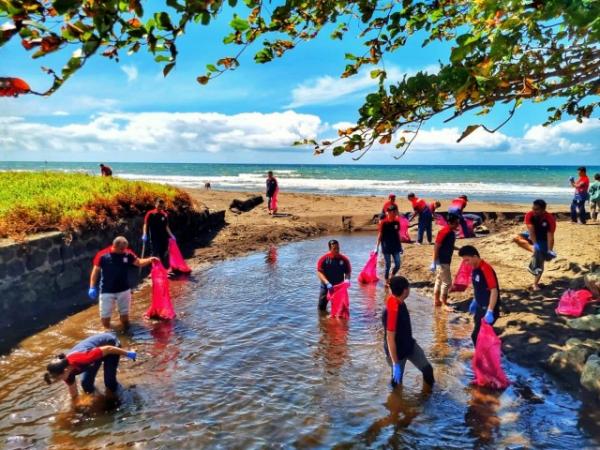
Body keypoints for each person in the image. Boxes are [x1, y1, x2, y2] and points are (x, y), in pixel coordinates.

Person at [88, 236, 158, 329]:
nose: (124, 251)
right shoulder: (102, 255)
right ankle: (114, 331)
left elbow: (139, 262)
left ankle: (125, 334)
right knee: (105, 321)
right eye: (121, 249)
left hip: (123, 290)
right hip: (106, 290)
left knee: (125, 319)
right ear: (114, 246)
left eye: (125, 248)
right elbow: (95, 271)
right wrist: (92, 287)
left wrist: (150, 260)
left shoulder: (127, 253)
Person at [43, 332, 137, 401]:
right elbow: (74, 394)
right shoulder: (66, 374)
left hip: (110, 344)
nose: (61, 380)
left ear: (65, 370)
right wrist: (76, 408)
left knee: (109, 383)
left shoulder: (83, 358)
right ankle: (98, 399)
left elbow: (108, 349)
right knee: (86, 385)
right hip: (94, 355)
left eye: (59, 378)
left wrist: (129, 354)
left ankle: (122, 396)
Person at [382, 276, 435, 388]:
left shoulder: (401, 302)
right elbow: (390, 339)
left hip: (410, 346)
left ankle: (428, 398)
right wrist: (395, 363)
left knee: (428, 370)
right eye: (408, 287)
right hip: (397, 353)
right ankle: (396, 403)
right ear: (405, 290)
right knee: (396, 384)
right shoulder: (391, 309)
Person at [458, 245, 501, 345]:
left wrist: (490, 311)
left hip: (489, 308)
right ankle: (483, 356)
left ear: (475, 257)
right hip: (480, 306)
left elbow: (494, 291)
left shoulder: (486, 269)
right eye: (464, 260)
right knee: (478, 334)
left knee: (476, 336)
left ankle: (490, 358)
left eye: (467, 260)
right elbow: (479, 287)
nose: (465, 263)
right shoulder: (474, 268)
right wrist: (475, 300)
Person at [513, 199, 557, 291]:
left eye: (537, 209)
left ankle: (535, 284)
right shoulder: (529, 215)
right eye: (533, 208)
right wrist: (535, 245)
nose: (534, 211)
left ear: (543, 210)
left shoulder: (549, 219)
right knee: (515, 238)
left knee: (540, 263)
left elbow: (550, 237)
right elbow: (531, 231)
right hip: (533, 235)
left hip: (544, 239)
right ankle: (537, 252)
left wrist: (550, 250)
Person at [431, 215, 460, 310]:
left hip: (445, 260)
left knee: (439, 280)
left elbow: (449, 245)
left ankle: (436, 300)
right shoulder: (444, 232)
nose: (458, 224)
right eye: (456, 223)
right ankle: (444, 303)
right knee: (447, 282)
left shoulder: (451, 232)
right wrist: (434, 261)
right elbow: (436, 246)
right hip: (443, 261)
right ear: (450, 223)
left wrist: (459, 249)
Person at [316, 239, 351, 312]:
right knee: (321, 308)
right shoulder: (323, 259)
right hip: (326, 286)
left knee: (340, 309)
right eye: (334, 248)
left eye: (338, 248)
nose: (337, 250)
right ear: (330, 249)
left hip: (339, 287)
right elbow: (319, 273)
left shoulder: (344, 260)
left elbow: (348, 272)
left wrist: (347, 280)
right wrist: (327, 283)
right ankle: (322, 320)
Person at [143, 198, 176, 269]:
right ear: (155, 205)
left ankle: (163, 269)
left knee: (163, 253)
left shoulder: (165, 215)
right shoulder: (150, 214)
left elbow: (166, 227)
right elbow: (145, 224)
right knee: (154, 253)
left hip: (164, 238)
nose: (160, 208)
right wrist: (144, 234)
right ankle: (153, 270)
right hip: (154, 238)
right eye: (159, 206)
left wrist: (172, 235)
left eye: (162, 206)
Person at [376, 204, 403, 281]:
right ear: (388, 212)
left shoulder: (396, 222)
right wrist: (377, 247)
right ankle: (386, 280)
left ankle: (392, 276)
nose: (395, 213)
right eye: (393, 212)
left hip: (396, 246)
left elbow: (398, 234)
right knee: (388, 265)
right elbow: (380, 235)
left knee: (398, 264)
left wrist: (400, 246)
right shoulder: (383, 223)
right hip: (386, 246)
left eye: (396, 212)